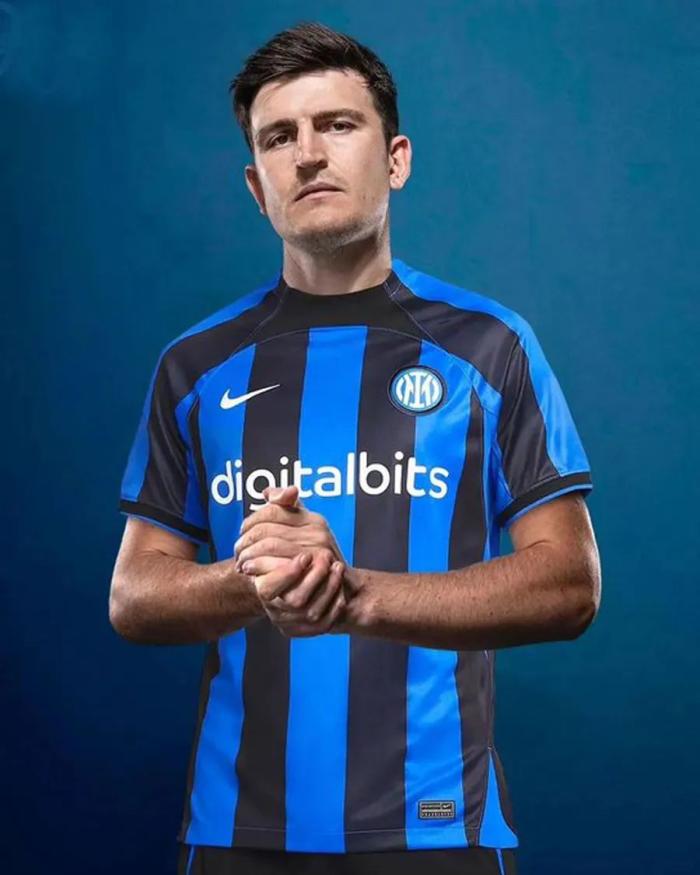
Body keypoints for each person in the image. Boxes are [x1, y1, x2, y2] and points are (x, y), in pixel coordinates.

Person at [110, 20, 601, 875]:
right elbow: (134, 594)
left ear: (396, 158)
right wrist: (256, 579)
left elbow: (570, 583)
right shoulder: (194, 366)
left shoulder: (492, 348)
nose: (308, 154)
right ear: (256, 185)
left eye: (338, 124)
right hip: (238, 834)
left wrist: (350, 593)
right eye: (279, 137)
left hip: (437, 829)